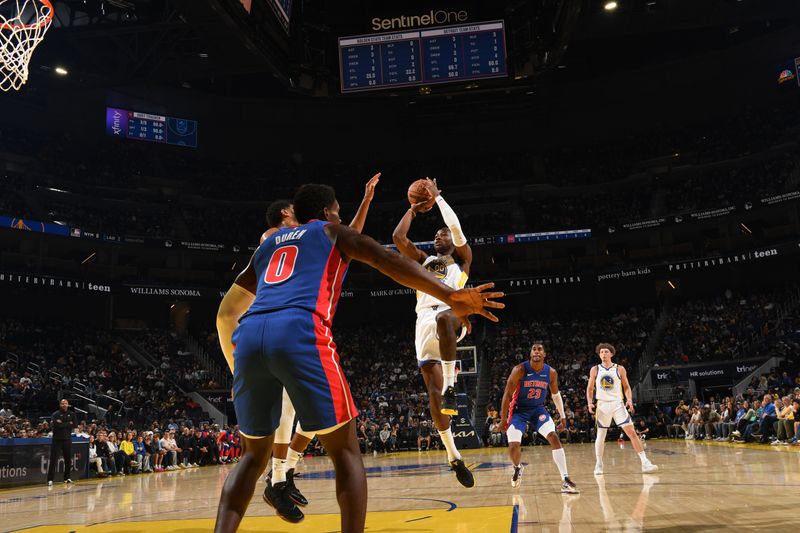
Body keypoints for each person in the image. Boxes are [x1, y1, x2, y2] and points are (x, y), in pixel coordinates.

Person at [213, 183, 504, 533]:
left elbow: (226, 314)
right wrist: (450, 294)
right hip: (298, 330)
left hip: (248, 338)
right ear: (326, 213)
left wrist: (238, 369)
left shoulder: (266, 248)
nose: (339, 216)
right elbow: (387, 259)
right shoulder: (332, 232)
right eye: (336, 210)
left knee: (250, 458)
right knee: (346, 452)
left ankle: (271, 486)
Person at [259, 174, 381, 516]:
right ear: (286, 214)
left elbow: (347, 238)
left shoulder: (306, 236)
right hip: (279, 328)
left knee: (313, 418)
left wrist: (367, 200)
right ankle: (278, 479)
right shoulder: (277, 236)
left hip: (281, 328)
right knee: (288, 412)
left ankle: (284, 473)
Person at [392, 178, 476, 487]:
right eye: (436, 234)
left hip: (452, 315)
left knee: (445, 316)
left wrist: (438, 198)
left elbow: (454, 227)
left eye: (443, 234)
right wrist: (413, 209)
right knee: (433, 395)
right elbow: (398, 238)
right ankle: (454, 456)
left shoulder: (463, 262)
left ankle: (453, 387)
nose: (439, 237)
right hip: (421, 323)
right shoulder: (424, 261)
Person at [499, 343, 578, 493]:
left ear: (544, 354)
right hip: (518, 411)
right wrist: (503, 419)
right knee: (514, 445)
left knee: (553, 436)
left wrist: (562, 416)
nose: (536, 351)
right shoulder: (519, 370)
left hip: (537, 409)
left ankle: (565, 479)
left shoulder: (551, 372)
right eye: (534, 349)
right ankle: (517, 468)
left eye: (539, 349)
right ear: (530, 354)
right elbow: (507, 395)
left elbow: (555, 395)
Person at [587, 343, 658, 474]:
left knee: (632, 432)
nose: (603, 354)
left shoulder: (619, 369)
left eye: (606, 352)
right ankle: (599, 464)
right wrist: (589, 402)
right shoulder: (595, 369)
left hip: (617, 404)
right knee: (601, 436)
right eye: (601, 352)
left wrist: (629, 400)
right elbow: (590, 388)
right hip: (602, 404)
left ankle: (645, 463)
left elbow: (626, 387)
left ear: (611, 354)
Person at [47, 399, 77, 486]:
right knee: (53, 460)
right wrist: (68, 423)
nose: (64, 405)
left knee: (68, 460)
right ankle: (50, 479)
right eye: (62, 403)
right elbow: (56, 425)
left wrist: (62, 423)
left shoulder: (72, 414)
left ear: (68, 405)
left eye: (65, 403)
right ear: (60, 405)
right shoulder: (55, 414)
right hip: (57, 440)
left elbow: (75, 424)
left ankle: (67, 478)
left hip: (67, 439)